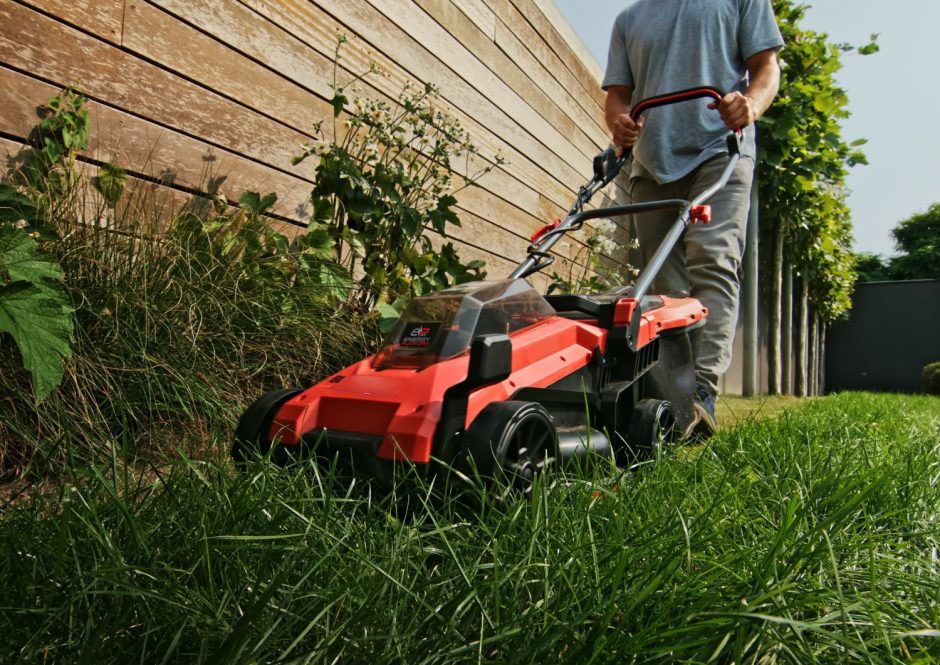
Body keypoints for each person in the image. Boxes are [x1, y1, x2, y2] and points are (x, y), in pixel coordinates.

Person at [602, 0, 784, 437]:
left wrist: (751, 106)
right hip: (651, 162)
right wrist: (619, 124)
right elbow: (617, 97)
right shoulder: (629, 19)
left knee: (713, 261)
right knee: (663, 289)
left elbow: (766, 66)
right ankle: (675, 398)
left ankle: (701, 392)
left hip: (719, 150)